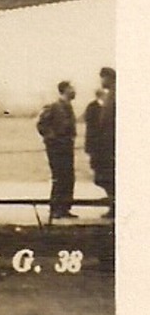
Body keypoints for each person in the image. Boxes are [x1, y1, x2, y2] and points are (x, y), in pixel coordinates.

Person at [36, 81, 78, 220]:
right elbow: (41, 124)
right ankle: (56, 209)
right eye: (71, 88)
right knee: (59, 177)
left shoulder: (68, 107)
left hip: (67, 146)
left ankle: (65, 208)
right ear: (64, 90)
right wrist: (52, 138)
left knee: (68, 177)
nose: (74, 91)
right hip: (56, 148)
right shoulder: (54, 106)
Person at [84, 66, 115, 216]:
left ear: (108, 78)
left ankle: (114, 205)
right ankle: (113, 203)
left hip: (108, 146)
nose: (101, 81)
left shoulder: (115, 95)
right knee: (104, 176)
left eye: (102, 77)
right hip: (105, 145)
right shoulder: (111, 95)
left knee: (106, 176)